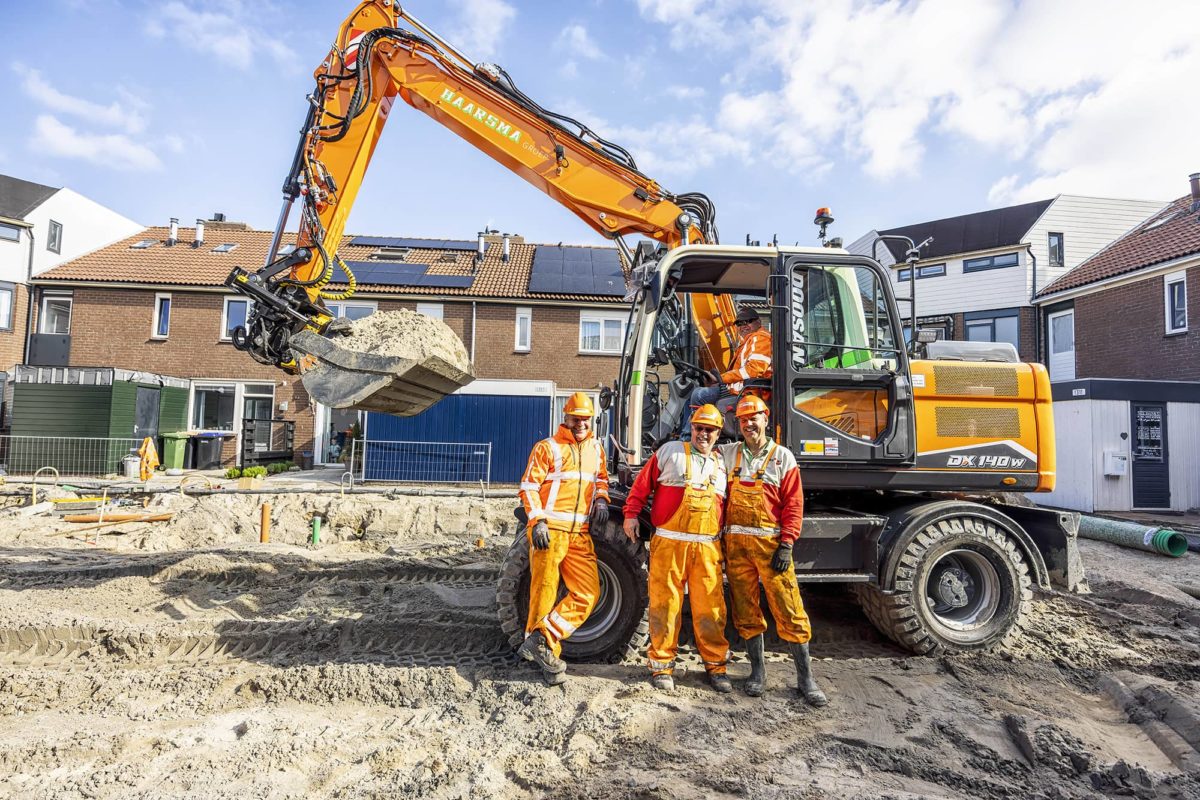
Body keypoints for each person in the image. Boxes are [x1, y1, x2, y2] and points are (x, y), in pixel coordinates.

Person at [719, 394, 827, 705]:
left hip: (771, 549)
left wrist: (787, 544)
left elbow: (794, 505)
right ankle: (758, 673)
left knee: (789, 609)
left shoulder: (783, 458)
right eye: (742, 419)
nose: (748, 424)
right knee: (745, 611)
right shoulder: (728, 454)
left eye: (754, 417)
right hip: (737, 549)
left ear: (766, 419)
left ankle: (806, 678)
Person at [623, 404, 731, 693]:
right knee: (665, 606)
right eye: (699, 428)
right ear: (691, 428)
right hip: (669, 543)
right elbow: (642, 485)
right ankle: (661, 666)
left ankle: (716, 666)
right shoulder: (671, 452)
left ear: (719, 433)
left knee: (710, 607)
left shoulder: (723, 465)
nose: (703, 434)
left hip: (706, 547)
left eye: (710, 430)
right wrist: (631, 514)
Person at [516, 392, 610, 685]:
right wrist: (538, 520)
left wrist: (603, 500)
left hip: (579, 533)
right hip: (551, 531)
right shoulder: (548, 447)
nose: (580, 423)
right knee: (543, 592)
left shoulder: (597, 448)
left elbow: (601, 480)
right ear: (565, 418)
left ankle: (541, 638)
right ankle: (545, 659)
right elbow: (528, 487)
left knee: (588, 593)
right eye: (575, 418)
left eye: (585, 419)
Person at [680, 306, 773, 438]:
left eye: (748, 321)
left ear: (758, 322)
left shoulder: (760, 338)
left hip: (749, 392)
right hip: (742, 390)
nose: (743, 326)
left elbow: (754, 370)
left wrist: (722, 379)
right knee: (691, 396)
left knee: (699, 395)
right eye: (739, 323)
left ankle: (688, 437)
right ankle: (683, 433)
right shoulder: (748, 341)